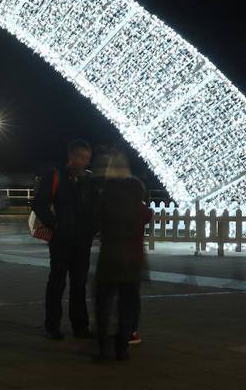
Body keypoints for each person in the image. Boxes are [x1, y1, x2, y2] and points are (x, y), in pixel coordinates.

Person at [32, 139, 95, 340]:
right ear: (72, 157)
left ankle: (80, 326)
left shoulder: (88, 180)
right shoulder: (55, 176)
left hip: (82, 241)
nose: (85, 163)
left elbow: (93, 207)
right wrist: (55, 225)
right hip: (61, 240)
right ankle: (52, 325)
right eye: (82, 158)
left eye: (88, 158)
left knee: (79, 284)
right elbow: (39, 204)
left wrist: (92, 229)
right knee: (57, 283)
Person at [92, 150, 150, 359]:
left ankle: (102, 348)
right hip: (133, 258)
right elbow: (146, 216)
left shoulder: (104, 193)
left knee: (103, 304)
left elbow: (96, 220)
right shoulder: (137, 193)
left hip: (110, 256)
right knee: (128, 304)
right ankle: (122, 347)